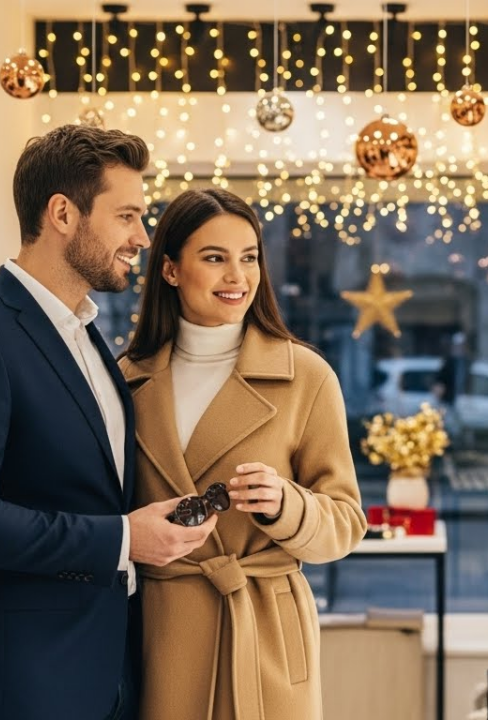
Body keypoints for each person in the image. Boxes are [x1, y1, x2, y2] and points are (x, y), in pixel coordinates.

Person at [0, 125, 217, 720]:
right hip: (16, 685)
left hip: (104, 675)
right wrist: (125, 539)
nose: (143, 236)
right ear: (62, 213)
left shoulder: (89, 337)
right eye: (127, 215)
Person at [120, 188, 365, 720]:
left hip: (264, 631)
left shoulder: (306, 376)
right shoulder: (126, 381)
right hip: (160, 632)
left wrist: (285, 505)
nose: (238, 276)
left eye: (249, 257)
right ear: (169, 270)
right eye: (214, 258)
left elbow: (346, 522)